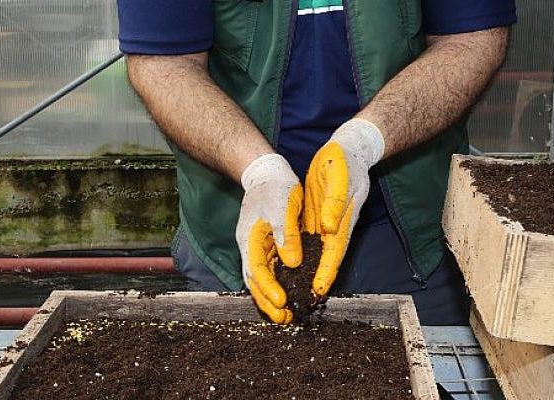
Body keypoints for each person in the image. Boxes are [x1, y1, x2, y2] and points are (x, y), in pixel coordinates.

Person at [117, 0, 516, 326]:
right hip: (237, 229)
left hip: (407, 235)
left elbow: (471, 39)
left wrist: (364, 142)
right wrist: (258, 170)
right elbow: (163, 63)